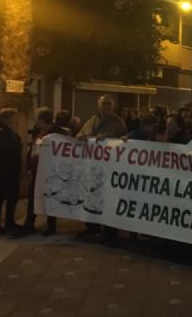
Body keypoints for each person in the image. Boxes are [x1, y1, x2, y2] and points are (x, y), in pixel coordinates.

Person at [76, 95, 127, 241]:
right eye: (102, 103)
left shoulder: (118, 122)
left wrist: (109, 139)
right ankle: (92, 228)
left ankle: (110, 232)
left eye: (108, 104)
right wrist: (86, 137)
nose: (105, 106)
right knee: (91, 196)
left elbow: (124, 142)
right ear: (98, 105)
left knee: (108, 198)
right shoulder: (92, 120)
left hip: (109, 167)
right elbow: (80, 135)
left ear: (113, 106)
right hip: (92, 166)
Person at [26, 107, 69, 236]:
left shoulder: (58, 132)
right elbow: (33, 147)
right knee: (32, 195)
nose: (35, 121)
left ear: (43, 119)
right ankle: (29, 223)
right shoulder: (37, 130)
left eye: (36, 118)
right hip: (36, 168)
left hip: (50, 169)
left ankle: (51, 225)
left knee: (51, 196)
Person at [0, 108, 22, 235]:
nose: (17, 120)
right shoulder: (1, 134)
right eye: (14, 117)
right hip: (2, 171)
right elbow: (10, 150)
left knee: (12, 197)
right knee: (0, 197)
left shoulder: (11, 133)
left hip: (11, 170)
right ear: (7, 120)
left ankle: (9, 221)